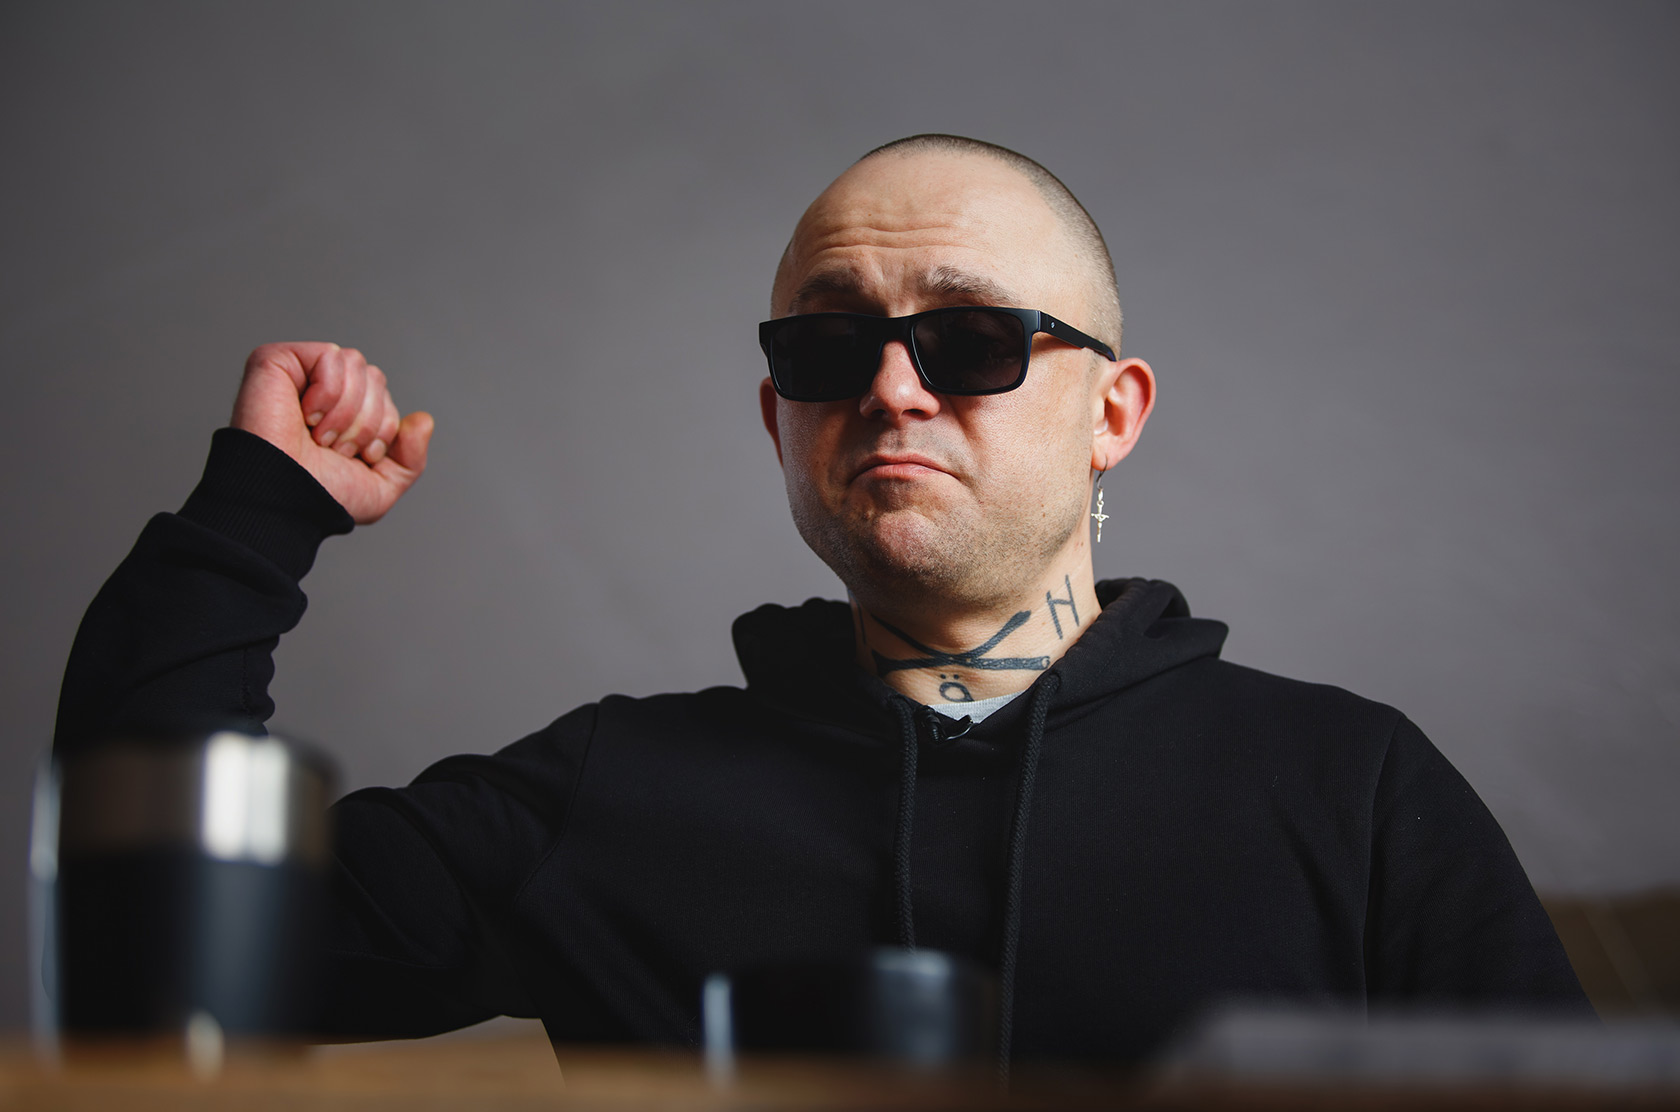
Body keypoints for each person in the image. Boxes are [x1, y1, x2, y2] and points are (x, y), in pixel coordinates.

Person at [55, 134, 1589, 1065]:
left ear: (1113, 412)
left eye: (974, 340)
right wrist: (257, 516)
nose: (893, 389)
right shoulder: (611, 790)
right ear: (778, 416)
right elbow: (157, 944)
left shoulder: (1351, 786)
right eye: (828, 347)